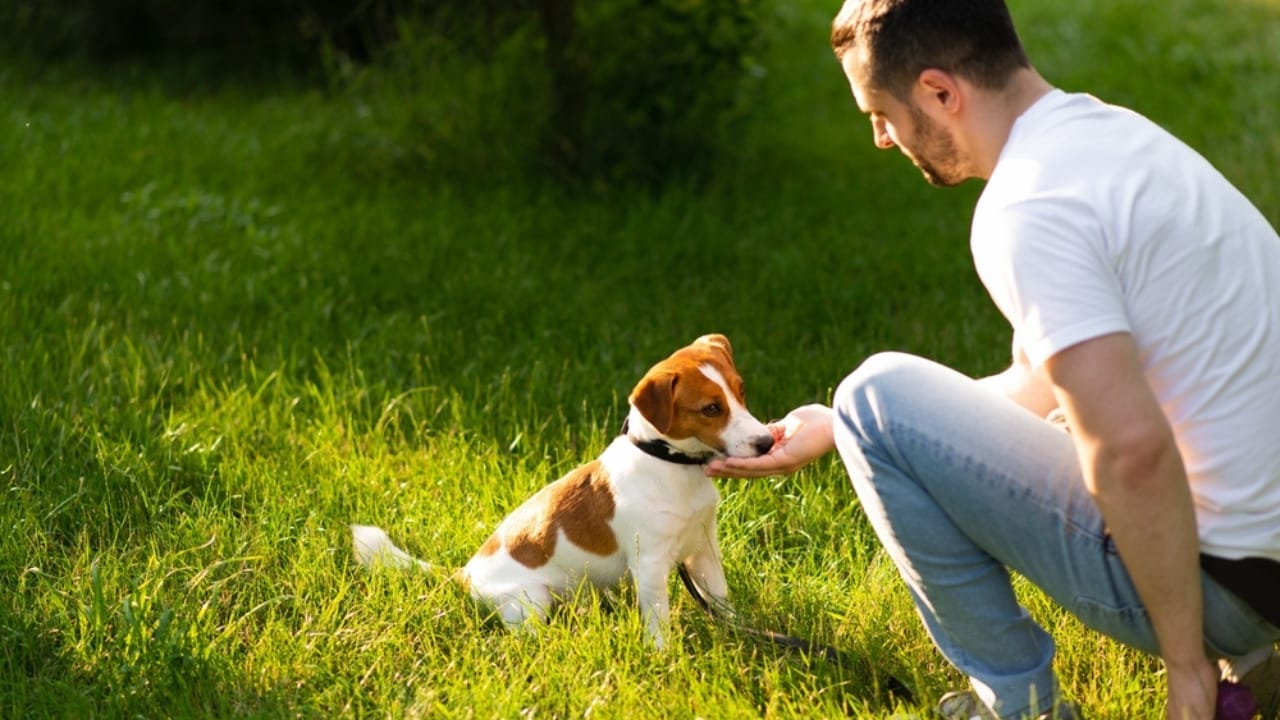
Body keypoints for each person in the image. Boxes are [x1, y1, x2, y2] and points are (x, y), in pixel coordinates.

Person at [708, 1, 1280, 718]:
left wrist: (1186, 667)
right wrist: (839, 427)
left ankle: (1022, 703)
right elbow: (1039, 386)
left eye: (878, 113)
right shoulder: (1107, 135)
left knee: (875, 395)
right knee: (866, 413)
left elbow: (1130, 450)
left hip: (1229, 588)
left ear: (940, 93)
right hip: (1265, 558)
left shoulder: (1025, 210)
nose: (881, 139)